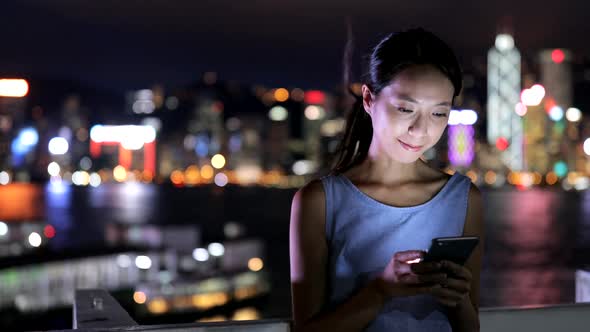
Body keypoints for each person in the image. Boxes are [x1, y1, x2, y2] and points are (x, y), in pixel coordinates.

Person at [289, 28, 484, 332]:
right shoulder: (320, 201)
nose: (420, 130)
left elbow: (470, 326)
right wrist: (380, 290)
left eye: (438, 114)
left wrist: (457, 299)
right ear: (369, 98)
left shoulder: (463, 198)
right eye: (406, 108)